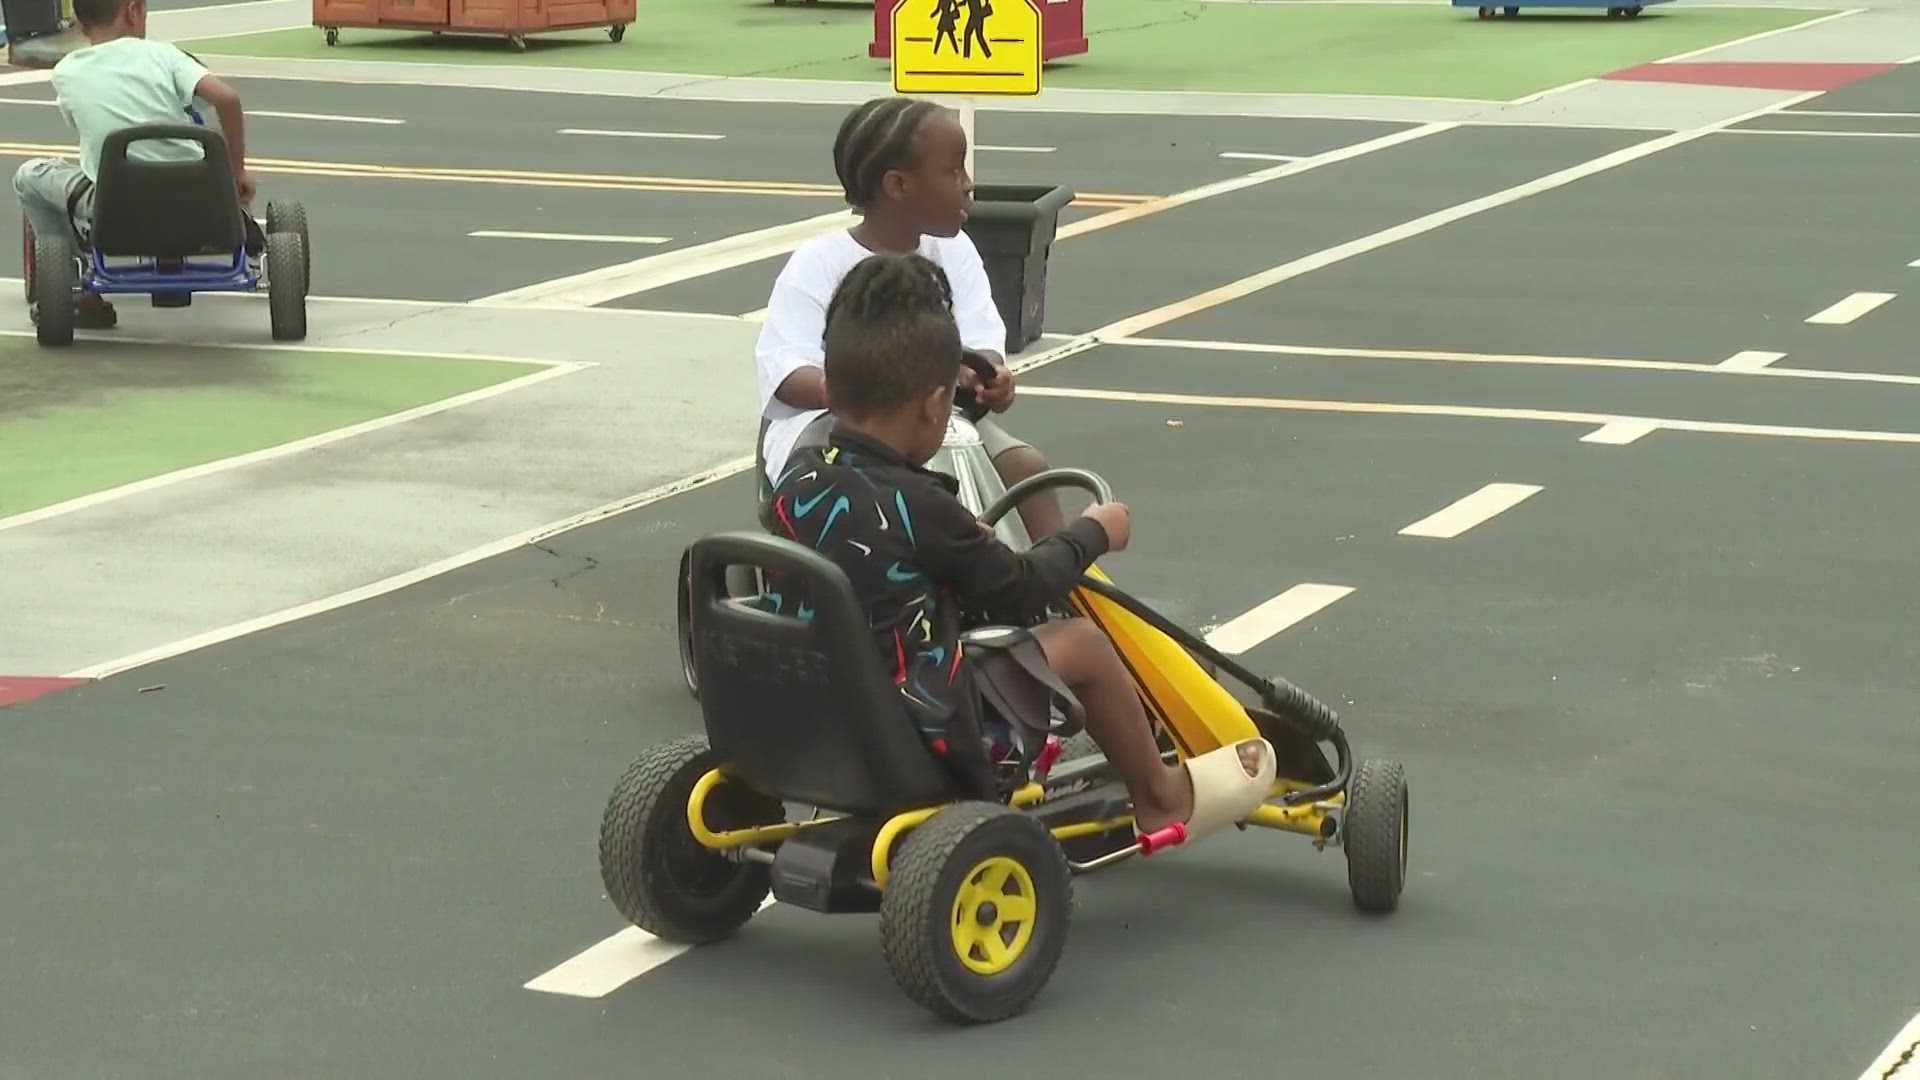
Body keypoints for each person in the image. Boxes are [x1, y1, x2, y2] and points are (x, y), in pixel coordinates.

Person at [766, 251, 1275, 849]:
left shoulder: (799, 474)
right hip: (918, 716)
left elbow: (877, 559)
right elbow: (1023, 587)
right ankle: (1159, 796)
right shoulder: (919, 504)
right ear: (937, 405)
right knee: (1082, 643)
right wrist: (1092, 534)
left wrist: (965, 542)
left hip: (814, 705)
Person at [754, 94, 1065, 541]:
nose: (968, 184)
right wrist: (876, 392)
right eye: (952, 171)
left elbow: (981, 341)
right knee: (908, 484)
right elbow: (785, 370)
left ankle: (1065, 590)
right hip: (835, 432)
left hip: (936, 422)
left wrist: (990, 376)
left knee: (1026, 468)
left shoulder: (955, 251)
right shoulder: (818, 263)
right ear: (898, 186)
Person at [12, 0, 255, 330]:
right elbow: (226, 98)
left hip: (114, 212)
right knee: (200, 148)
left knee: (32, 175)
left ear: (81, 25)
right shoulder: (164, 55)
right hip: (200, 205)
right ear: (133, 10)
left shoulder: (67, 71)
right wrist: (236, 171)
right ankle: (238, 220)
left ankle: (74, 294)